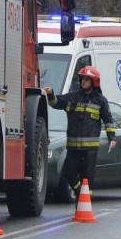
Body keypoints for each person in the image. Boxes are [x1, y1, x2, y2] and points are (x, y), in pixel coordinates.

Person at [45, 66, 116, 197]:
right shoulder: (72, 97)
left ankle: (84, 204)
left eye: (87, 79)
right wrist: (50, 94)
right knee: (69, 173)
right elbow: (56, 102)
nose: (83, 81)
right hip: (73, 147)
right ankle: (79, 192)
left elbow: (108, 121)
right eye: (82, 79)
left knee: (87, 178)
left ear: (94, 82)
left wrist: (112, 138)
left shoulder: (101, 101)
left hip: (90, 149)